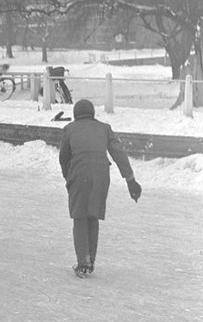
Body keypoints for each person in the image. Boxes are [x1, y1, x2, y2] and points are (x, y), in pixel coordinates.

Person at [58, 99, 142, 277]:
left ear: (75, 114)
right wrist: (130, 179)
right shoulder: (104, 128)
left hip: (79, 173)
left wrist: (68, 178)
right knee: (93, 215)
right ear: (92, 113)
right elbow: (118, 153)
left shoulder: (69, 129)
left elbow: (63, 158)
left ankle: (83, 263)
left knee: (79, 217)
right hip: (101, 175)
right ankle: (91, 261)